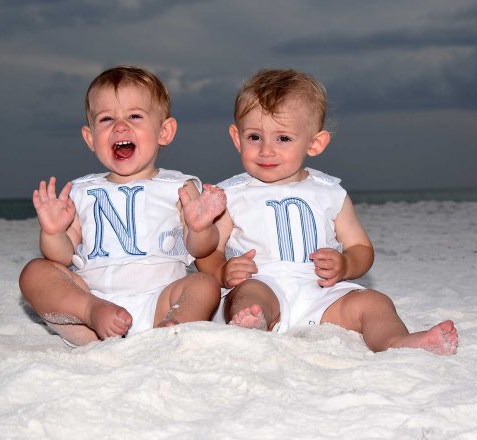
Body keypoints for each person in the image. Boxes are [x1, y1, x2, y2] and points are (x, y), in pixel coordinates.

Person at [195, 69, 458, 355]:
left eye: (283, 138)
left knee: (375, 302)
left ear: (314, 143)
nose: (266, 150)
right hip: (261, 284)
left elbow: (360, 248)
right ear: (237, 138)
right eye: (255, 137)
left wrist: (345, 265)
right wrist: (223, 270)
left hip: (320, 294)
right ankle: (253, 326)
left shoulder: (330, 192)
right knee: (248, 296)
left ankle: (397, 341)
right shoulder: (230, 194)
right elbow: (208, 251)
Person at [19, 65, 224, 346]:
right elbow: (62, 257)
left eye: (134, 116)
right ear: (90, 137)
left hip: (161, 301)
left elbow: (201, 249)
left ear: (164, 131)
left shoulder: (181, 187)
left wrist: (200, 227)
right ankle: (89, 314)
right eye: (106, 119)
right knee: (35, 272)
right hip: (93, 305)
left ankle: (173, 328)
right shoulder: (82, 191)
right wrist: (53, 233)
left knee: (204, 285)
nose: (120, 126)